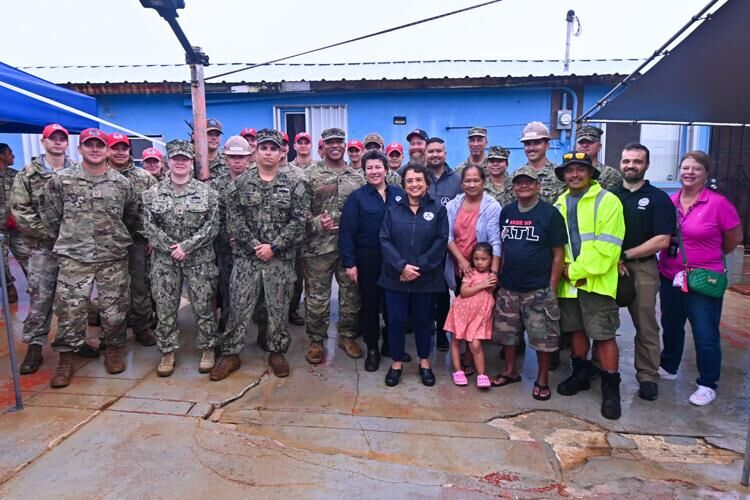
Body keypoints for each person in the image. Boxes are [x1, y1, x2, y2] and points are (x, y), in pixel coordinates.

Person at [40, 128, 139, 387]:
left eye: (100, 145)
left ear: (107, 150)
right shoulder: (61, 181)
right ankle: (65, 359)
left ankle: (113, 350)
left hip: (112, 255)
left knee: (114, 309)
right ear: (80, 148)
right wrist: (68, 239)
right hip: (75, 256)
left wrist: (115, 239)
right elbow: (50, 217)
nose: (95, 149)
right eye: (89, 144)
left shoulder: (121, 183)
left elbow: (130, 216)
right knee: (70, 309)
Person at [211, 129, 309, 380]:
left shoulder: (295, 183)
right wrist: (256, 245)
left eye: (273, 149)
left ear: (281, 153)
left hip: (280, 259)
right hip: (247, 258)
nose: (268, 153)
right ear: (256, 152)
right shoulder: (239, 184)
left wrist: (273, 247)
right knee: (239, 306)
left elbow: (299, 222)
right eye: (263, 148)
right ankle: (231, 353)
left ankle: (277, 351)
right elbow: (234, 221)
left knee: (278, 308)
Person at [657, 151, 743, 406]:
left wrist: (708, 259)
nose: (689, 173)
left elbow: (734, 238)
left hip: (704, 279)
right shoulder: (669, 203)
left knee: (705, 332)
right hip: (671, 276)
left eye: (696, 169)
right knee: (671, 325)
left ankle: (707, 383)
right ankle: (669, 366)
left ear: (706, 173)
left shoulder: (718, 204)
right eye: (685, 168)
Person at [553, 152, 625, 420]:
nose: (574, 175)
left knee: (604, 333)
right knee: (576, 331)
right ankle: (580, 374)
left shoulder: (608, 202)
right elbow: (558, 244)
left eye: (580, 170)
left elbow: (608, 246)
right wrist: (567, 272)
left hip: (596, 281)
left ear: (590, 173)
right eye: (569, 171)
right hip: (569, 283)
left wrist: (576, 270)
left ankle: (610, 387)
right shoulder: (559, 203)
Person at [141, 140, 220, 377]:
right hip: (165, 261)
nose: (180, 163)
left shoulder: (208, 193)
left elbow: (212, 225)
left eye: (184, 159)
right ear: (168, 161)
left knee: (203, 305)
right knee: (165, 307)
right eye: (176, 159)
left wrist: (187, 246)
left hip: (199, 259)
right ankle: (167, 351)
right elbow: (148, 225)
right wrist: (170, 247)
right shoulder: (151, 194)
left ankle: (208, 348)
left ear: (191, 164)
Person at [12, 124, 84, 374]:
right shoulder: (28, 174)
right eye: (52, 139)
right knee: (40, 298)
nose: (57, 142)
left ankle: (73, 343)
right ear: (43, 142)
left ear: (67, 143)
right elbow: (20, 210)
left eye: (62, 139)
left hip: (73, 249)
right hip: (42, 247)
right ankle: (34, 347)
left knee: (73, 299)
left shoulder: (78, 171)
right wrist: (48, 235)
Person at [492, 166, 566, 401]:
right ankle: (510, 371)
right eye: (519, 182)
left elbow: (558, 253)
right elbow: (502, 247)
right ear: (513, 188)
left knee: (543, 339)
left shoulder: (550, 214)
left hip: (538, 288)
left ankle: (542, 378)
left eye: (529, 182)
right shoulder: (507, 211)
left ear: (538, 186)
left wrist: (552, 287)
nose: (524, 186)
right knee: (508, 335)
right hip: (509, 287)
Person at [611, 144, 675, 401]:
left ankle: (648, 375)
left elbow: (662, 240)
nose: (631, 166)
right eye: (626, 161)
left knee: (646, 325)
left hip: (643, 268)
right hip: (610, 267)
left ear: (646, 165)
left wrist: (626, 255)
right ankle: (601, 367)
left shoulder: (658, 199)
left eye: (637, 161)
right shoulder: (610, 195)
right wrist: (612, 259)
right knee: (603, 321)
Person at [379, 164, 448, 387]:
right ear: (404, 185)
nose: (414, 184)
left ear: (427, 183)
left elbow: (440, 241)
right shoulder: (393, 210)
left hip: (425, 278)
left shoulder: (438, 210)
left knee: (423, 321)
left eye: (419, 180)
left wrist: (417, 267)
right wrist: (402, 267)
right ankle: (397, 362)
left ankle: (424, 362)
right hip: (395, 277)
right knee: (396, 321)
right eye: (409, 181)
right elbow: (384, 240)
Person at [302, 128, 365, 364]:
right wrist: (317, 222)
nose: (335, 145)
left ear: (345, 144)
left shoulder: (357, 178)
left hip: (348, 249)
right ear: (323, 145)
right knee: (317, 297)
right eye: (330, 142)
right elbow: (298, 212)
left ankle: (347, 336)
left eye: (339, 141)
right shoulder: (308, 175)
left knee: (351, 295)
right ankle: (316, 341)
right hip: (317, 248)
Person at [339, 150, 405, 372]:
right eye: (370, 168)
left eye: (378, 167)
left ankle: (390, 345)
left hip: (395, 261)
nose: (374, 171)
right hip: (368, 260)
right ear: (364, 171)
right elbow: (347, 232)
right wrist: (350, 263)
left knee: (393, 306)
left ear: (386, 170)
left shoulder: (399, 194)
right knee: (369, 306)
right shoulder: (357, 198)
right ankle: (373, 349)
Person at [444, 165, 501, 371]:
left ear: (483, 182)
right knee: (464, 307)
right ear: (461, 184)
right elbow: (448, 237)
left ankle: (470, 356)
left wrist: (493, 273)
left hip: (482, 269)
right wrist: (461, 260)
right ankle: (461, 355)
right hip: (460, 267)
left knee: (479, 311)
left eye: (476, 180)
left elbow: (495, 241)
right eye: (467, 181)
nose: (472, 184)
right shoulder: (453, 205)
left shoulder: (492, 206)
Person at [106, 132, 158, 347]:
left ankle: (141, 327)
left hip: (138, 242)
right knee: (110, 290)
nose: (120, 152)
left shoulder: (144, 177)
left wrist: (151, 238)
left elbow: (156, 210)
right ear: (108, 150)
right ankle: (112, 333)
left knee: (140, 287)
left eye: (124, 148)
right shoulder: (100, 175)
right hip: (107, 243)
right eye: (115, 147)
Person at [209, 136, 252, 332]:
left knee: (254, 293)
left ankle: (258, 329)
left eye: (241, 157)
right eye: (233, 157)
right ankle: (227, 328)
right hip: (225, 248)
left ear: (249, 158)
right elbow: (213, 216)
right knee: (227, 290)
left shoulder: (257, 181)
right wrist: (228, 237)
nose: (237, 161)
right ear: (226, 158)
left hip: (251, 247)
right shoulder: (216, 185)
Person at [424, 137, 463, 351]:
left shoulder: (457, 180)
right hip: (422, 245)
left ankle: (442, 332)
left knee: (443, 292)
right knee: (425, 293)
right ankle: (426, 328)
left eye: (439, 151)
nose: (435, 155)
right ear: (425, 154)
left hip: (448, 246)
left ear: (445, 154)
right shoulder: (418, 177)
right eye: (431, 151)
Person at [444, 242, 496, 388]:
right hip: (461, 312)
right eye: (476, 259)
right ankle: (458, 371)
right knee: (456, 340)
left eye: (484, 259)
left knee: (476, 344)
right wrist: (482, 285)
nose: (479, 262)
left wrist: (487, 283)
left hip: (478, 316)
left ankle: (481, 374)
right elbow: (464, 292)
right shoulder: (470, 273)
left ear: (491, 259)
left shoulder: (492, 277)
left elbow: (491, 290)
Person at [0, 143, 31, 302]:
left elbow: (26, 198)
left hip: (18, 227)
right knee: (1, 263)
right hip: (0, 229)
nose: (13, 156)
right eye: (10, 153)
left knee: (27, 257)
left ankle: (36, 288)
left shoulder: (16, 176)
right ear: (2, 155)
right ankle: (9, 286)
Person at [520, 121, 565, 204]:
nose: (531, 148)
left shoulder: (559, 175)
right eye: (527, 144)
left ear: (547, 146)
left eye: (537, 143)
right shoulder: (517, 176)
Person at [575, 126, 622, 191]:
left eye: (590, 142)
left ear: (599, 146)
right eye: (581, 142)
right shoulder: (566, 172)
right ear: (576, 146)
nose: (585, 145)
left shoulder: (610, 174)